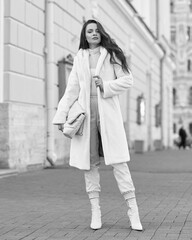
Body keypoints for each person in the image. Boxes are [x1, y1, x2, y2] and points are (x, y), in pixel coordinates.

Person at [52, 19, 143, 231]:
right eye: (89, 31)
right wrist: (61, 116)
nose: (93, 34)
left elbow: (128, 80)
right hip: (87, 116)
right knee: (90, 164)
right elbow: (71, 90)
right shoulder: (80, 57)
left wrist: (106, 85)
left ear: (101, 33)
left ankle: (133, 210)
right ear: (85, 36)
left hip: (108, 116)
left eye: (96, 31)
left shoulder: (110, 54)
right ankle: (96, 211)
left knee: (119, 163)